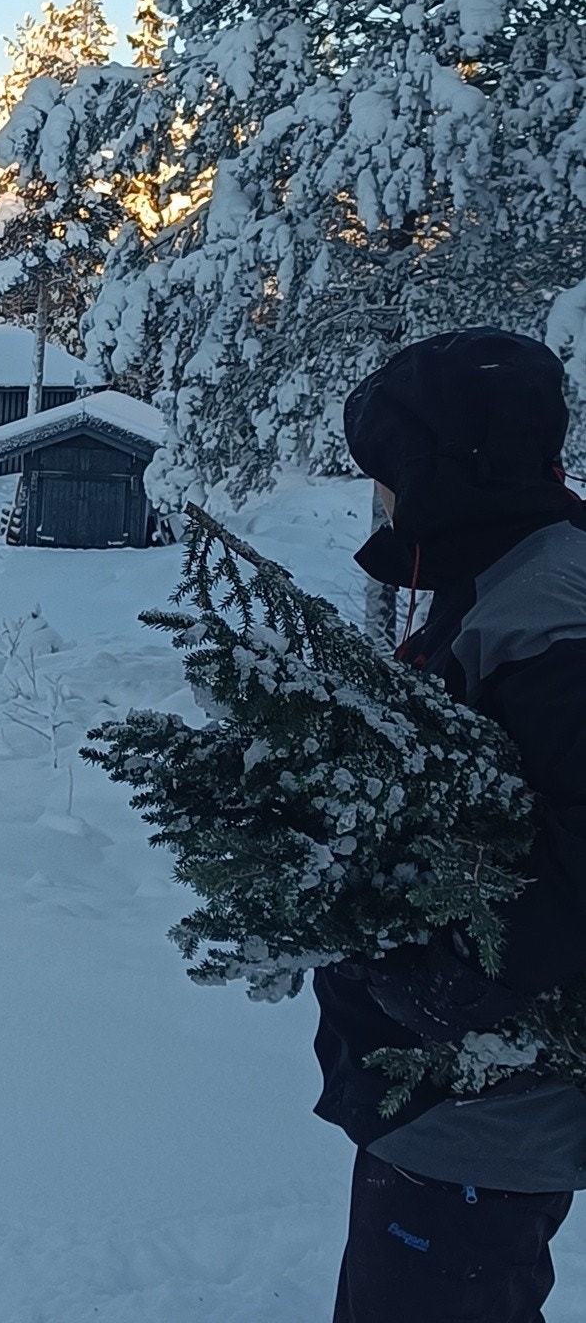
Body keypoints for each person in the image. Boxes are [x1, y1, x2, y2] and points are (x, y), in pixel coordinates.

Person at [321, 327, 586, 1322]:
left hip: (488, 1113)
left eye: (390, 470)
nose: (381, 497)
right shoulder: (506, 572)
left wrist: (456, 971)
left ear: (448, 467)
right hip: (442, 1104)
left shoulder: (548, 609)